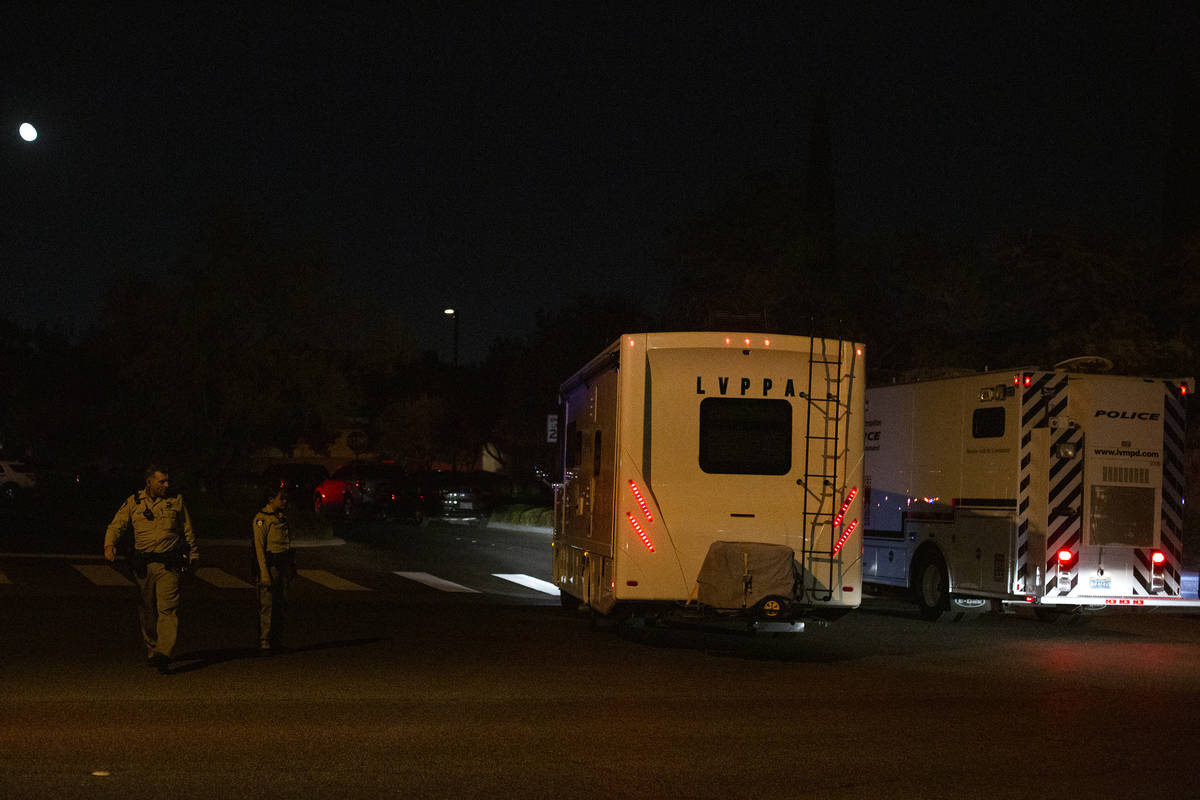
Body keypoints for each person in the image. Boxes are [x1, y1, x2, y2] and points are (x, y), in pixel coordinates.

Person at [104, 465, 198, 674]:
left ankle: (164, 653)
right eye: (161, 481)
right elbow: (117, 524)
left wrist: (193, 556)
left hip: (168, 564)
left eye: (167, 481)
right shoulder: (134, 502)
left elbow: (188, 531)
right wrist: (109, 545)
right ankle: (153, 648)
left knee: (167, 609)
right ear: (149, 482)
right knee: (147, 610)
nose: (167, 485)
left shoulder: (176, 501)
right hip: (144, 567)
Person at [252, 483, 294, 655]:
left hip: (283, 566)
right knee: (267, 605)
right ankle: (265, 641)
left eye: (285, 498)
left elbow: (287, 544)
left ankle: (277, 640)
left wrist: (291, 567)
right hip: (270, 567)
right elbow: (259, 548)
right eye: (280, 498)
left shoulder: (281, 518)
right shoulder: (262, 519)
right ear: (270, 499)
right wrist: (264, 573)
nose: (284, 501)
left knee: (281, 603)